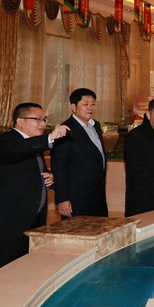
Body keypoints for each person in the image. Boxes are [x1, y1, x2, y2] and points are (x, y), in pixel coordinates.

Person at [0, 103, 70, 273]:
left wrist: (50, 177)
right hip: (8, 224)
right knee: (2, 275)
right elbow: (16, 151)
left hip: (33, 221)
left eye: (44, 120)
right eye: (37, 119)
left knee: (26, 274)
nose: (43, 124)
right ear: (20, 121)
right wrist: (49, 138)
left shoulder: (33, 145)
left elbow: (31, 172)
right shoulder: (5, 141)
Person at [51, 88, 108, 218]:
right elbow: (59, 166)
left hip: (97, 195)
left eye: (93, 104)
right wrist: (62, 199)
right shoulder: (65, 129)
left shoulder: (95, 125)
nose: (90, 108)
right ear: (74, 107)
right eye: (85, 104)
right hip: (76, 197)